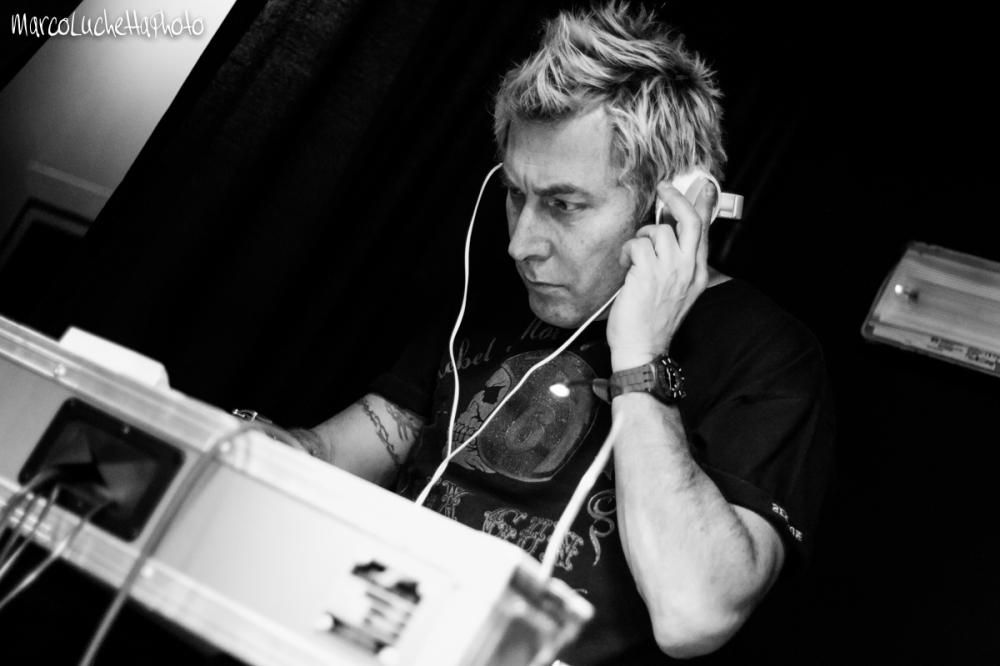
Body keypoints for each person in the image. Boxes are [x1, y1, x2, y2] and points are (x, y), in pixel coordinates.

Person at [267, 3, 834, 663]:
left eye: (564, 204)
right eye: (516, 195)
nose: (520, 245)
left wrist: (639, 356)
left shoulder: (768, 355)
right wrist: (250, 446)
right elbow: (335, 453)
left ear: (672, 207)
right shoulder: (493, 301)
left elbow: (694, 612)